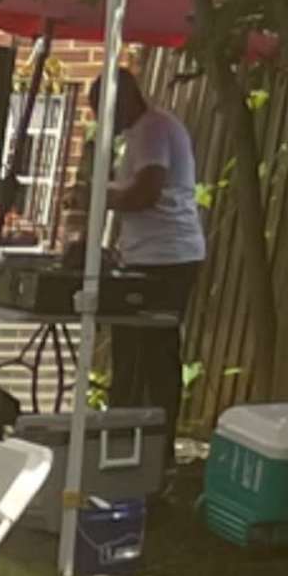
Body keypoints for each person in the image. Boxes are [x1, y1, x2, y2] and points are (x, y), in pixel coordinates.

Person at [98, 58, 206, 434]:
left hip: (164, 259)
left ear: (122, 100)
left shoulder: (152, 129)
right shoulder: (147, 130)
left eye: (103, 110)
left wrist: (100, 197)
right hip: (155, 253)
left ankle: (146, 438)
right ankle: (133, 434)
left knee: (150, 352)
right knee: (138, 350)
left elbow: (147, 192)